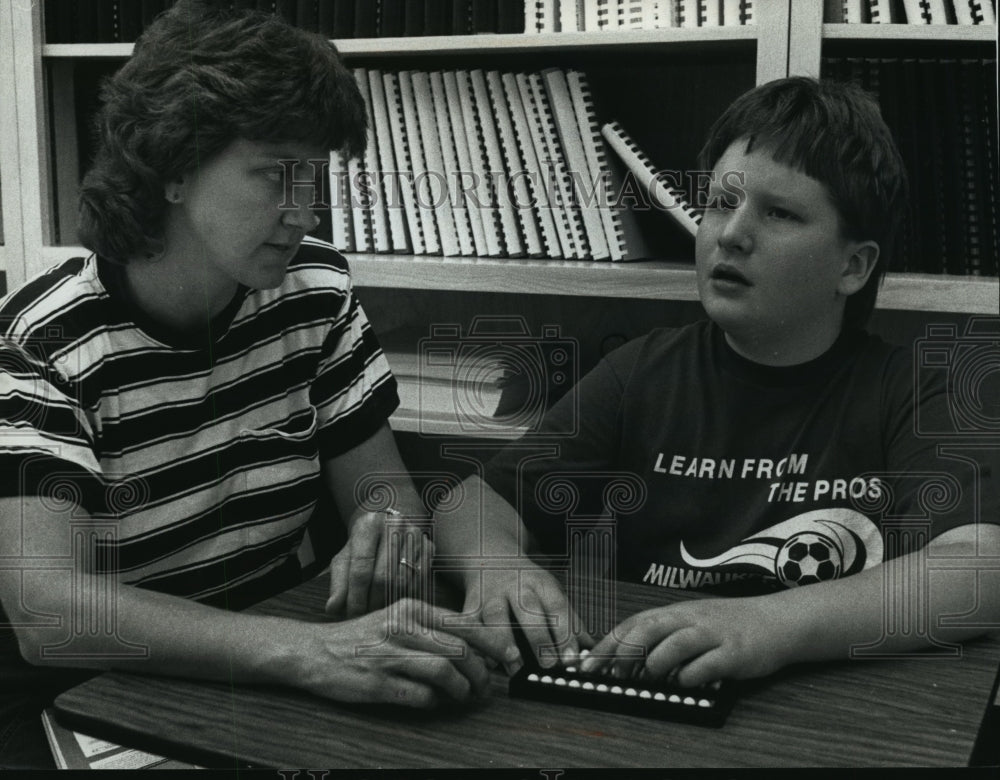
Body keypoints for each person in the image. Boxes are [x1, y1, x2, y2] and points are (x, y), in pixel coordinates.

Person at [0, 0, 507, 769]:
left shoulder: (315, 291)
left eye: (313, 176)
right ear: (171, 169)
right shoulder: (44, 341)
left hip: (262, 658)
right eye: (274, 175)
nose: (302, 211)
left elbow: (381, 492)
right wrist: (309, 652)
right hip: (86, 689)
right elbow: (50, 612)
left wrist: (387, 541)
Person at [432, 76, 1000, 684]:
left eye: (779, 213)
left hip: (819, 708)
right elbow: (472, 501)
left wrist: (770, 625)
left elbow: (978, 569)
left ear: (852, 266)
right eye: (721, 204)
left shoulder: (912, 389)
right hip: (653, 688)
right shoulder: (641, 374)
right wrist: (495, 565)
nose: (731, 234)